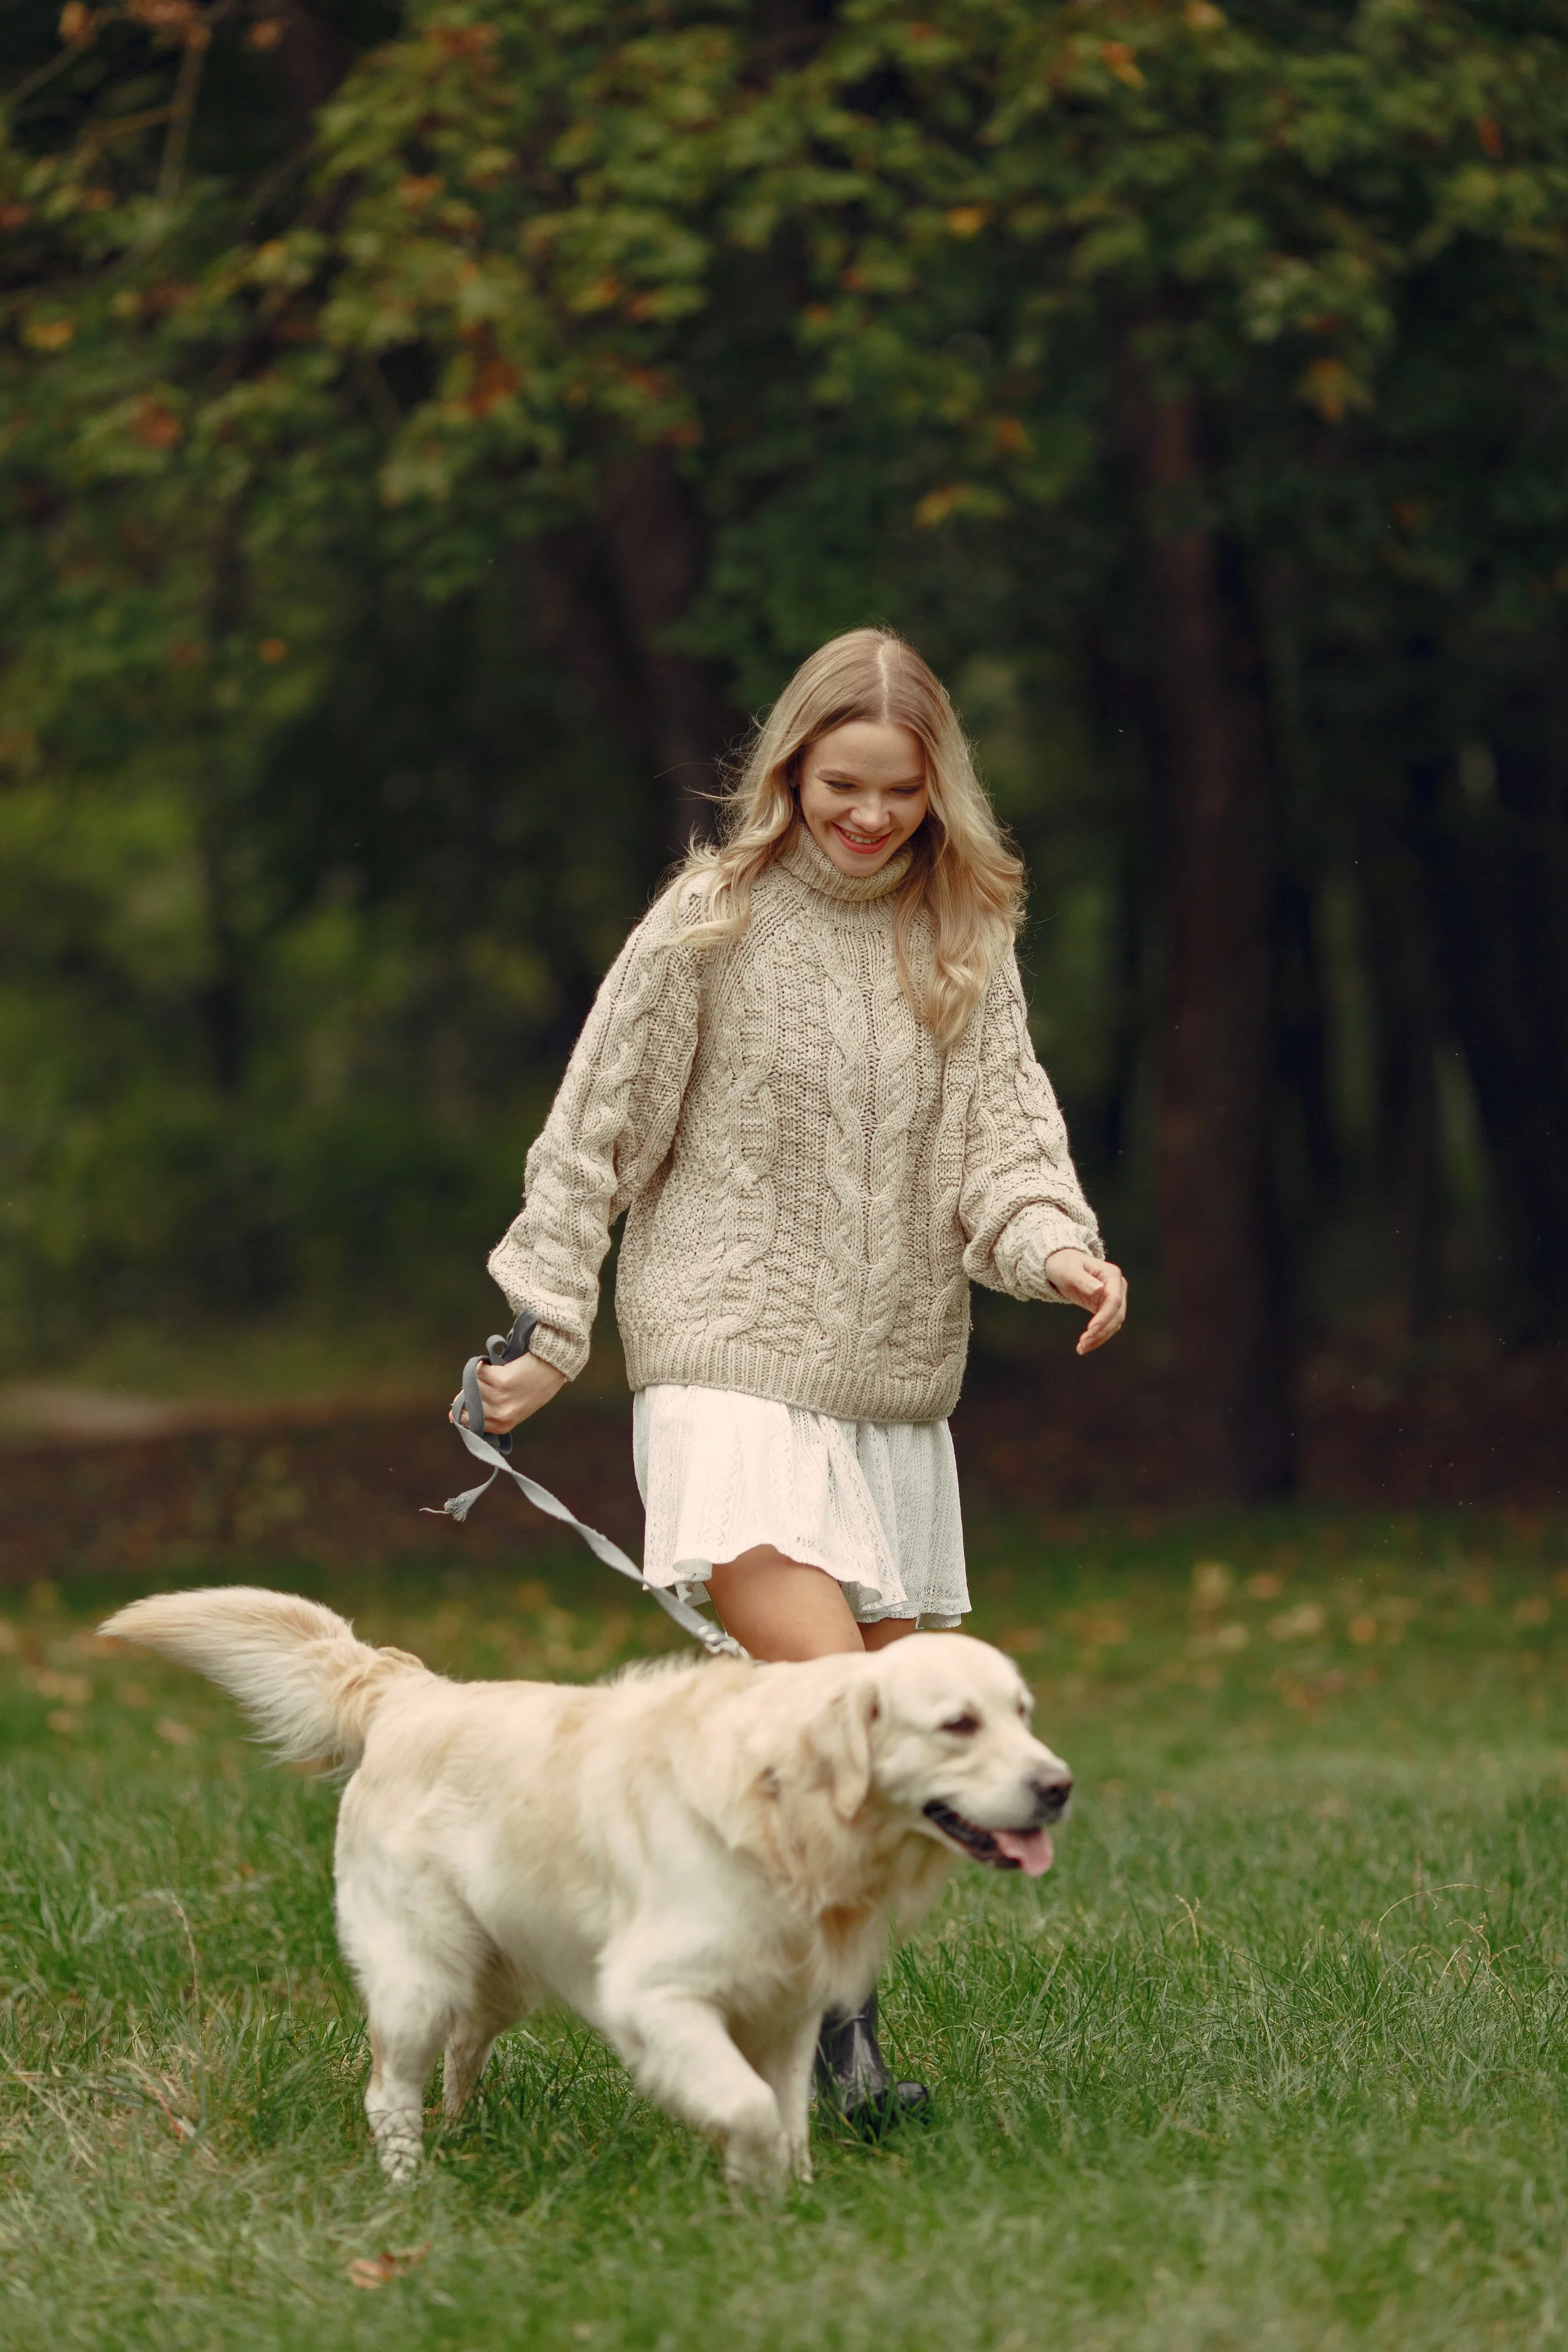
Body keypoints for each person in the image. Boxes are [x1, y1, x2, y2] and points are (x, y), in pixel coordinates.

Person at [467, 627, 1127, 2129]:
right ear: (788, 771)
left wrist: (1063, 1256)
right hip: (726, 1362)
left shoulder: (963, 938)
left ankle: (780, 2011)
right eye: (842, 785)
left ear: (935, 791)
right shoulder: (709, 920)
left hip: (888, 1384)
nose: (868, 818)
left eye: (898, 792)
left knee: (900, 1739)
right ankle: (839, 2064)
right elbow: (594, 1139)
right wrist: (544, 1329)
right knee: (834, 1704)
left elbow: (1007, 1157)